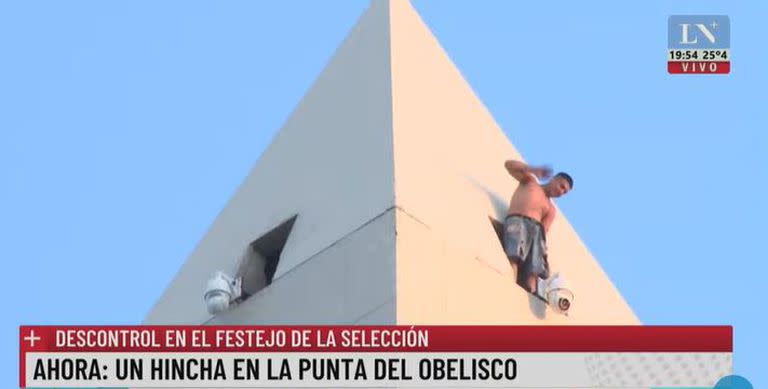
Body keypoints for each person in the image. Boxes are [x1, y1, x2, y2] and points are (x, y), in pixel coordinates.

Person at [503, 159, 573, 294]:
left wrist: (542, 251)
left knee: (534, 268)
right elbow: (509, 165)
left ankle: (530, 291)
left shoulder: (551, 209)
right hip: (518, 222)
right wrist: (533, 169)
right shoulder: (530, 182)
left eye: (565, 192)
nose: (561, 192)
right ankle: (510, 283)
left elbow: (544, 231)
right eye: (562, 186)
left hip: (536, 232)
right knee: (514, 254)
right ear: (554, 179)